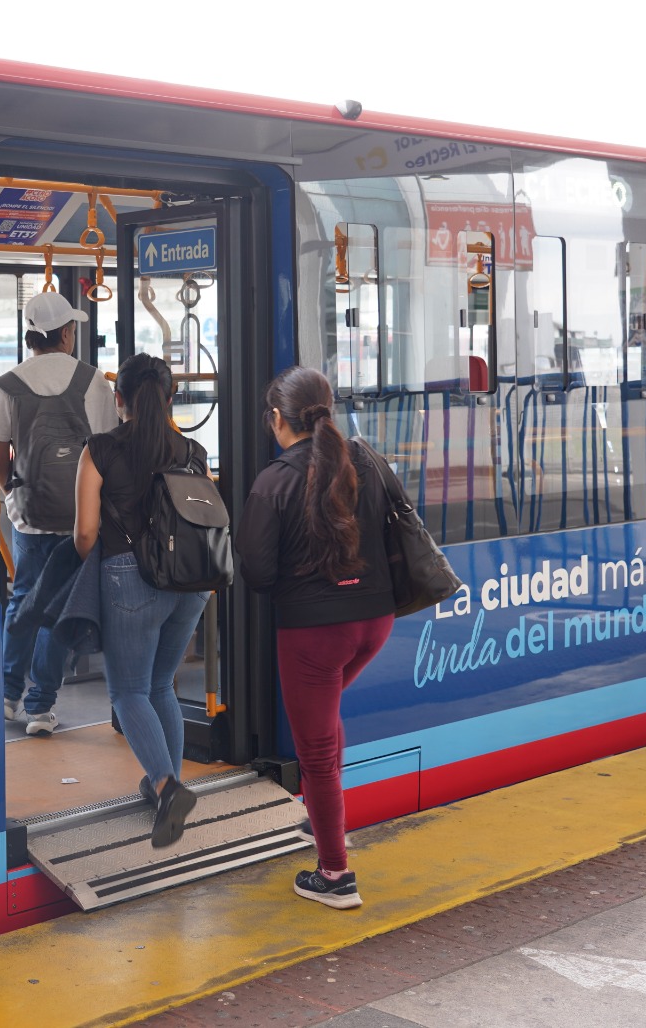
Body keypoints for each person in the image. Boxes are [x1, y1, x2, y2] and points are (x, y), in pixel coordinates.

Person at [235, 365, 396, 910]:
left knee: (317, 752)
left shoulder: (273, 481)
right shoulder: (365, 463)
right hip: (374, 621)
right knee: (324, 726)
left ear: (276, 419)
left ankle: (335, 875)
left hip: (315, 633)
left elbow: (257, 573)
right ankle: (323, 821)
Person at [73, 353, 208, 847]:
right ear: (170, 397)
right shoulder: (193, 451)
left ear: (119, 400)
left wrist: (103, 563)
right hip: (190, 583)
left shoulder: (99, 450)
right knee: (160, 685)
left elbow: (85, 533)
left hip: (129, 579)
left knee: (128, 692)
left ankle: (167, 787)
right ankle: (167, 790)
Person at [0, 292, 116, 736]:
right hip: (79, 518)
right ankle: (41, 708)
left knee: (24, 597)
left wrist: (13, 495)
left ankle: (7, 694)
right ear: (66, 333)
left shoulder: (6, 385)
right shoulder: (92, 380)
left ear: (30, 335)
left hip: (29, 514)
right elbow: (107, 451)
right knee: (59, 607)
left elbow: (0, 456)